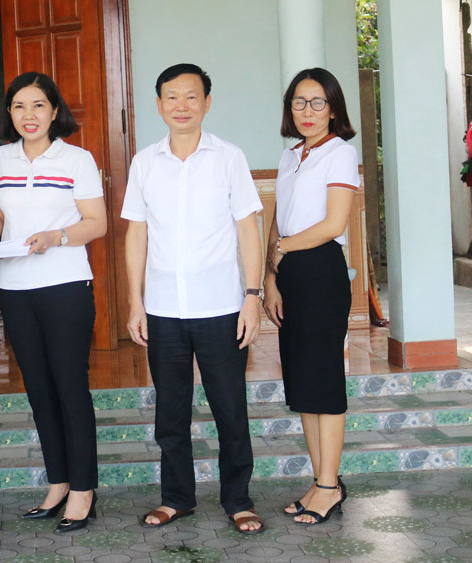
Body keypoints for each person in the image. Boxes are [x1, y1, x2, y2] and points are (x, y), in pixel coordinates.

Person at [122, 63, 265, 535]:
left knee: (230, 408)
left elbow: (249, 228)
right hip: (163, 309)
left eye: (191, 96)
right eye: (171, 97)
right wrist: (135, 302)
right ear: (159, 104)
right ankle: (176, 498)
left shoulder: (229, 158)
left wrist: (252, 296)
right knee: (171, 413)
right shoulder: (145, 162)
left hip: (222, 307)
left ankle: (238, 500)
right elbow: (136, 235)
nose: (181, 106)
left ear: (207, 101)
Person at [0, 72, 107, 533]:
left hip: (65, 284)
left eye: (38, 105)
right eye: (20, 106)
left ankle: (84, 489)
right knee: (39, 391)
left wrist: (56, 237)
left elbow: (96, 222)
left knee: (69, 387)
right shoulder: (1, 158)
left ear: (54, 110)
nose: (29, 115)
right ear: (10, 112)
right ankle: (58, 484)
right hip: (15, 287)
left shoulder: (76, 158)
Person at [263, 67, 356, 525]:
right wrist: (269, 277)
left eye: (318, 102)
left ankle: (328, 486)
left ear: (333, 108)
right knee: (302, 384)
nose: (307, 111)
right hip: (290, 273)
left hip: (321, 271)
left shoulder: (340, 153)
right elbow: (278, 219)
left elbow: (333, 224)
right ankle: (323, 481)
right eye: (299, 101)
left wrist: (283, 249)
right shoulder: (289, 157)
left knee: (324, 381)